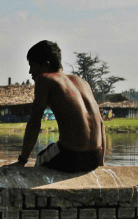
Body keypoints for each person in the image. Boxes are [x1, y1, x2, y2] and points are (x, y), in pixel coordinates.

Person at [12, 40, 105, 172]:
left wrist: (22, 161)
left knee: (40, 159)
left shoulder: (45, 79)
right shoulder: (82, 82)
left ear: (46, 65)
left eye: (32, 66)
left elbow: (34, 122)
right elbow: (101, 123)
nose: (30, 71)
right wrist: (101, 163)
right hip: (94, 157)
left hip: (71, 157)